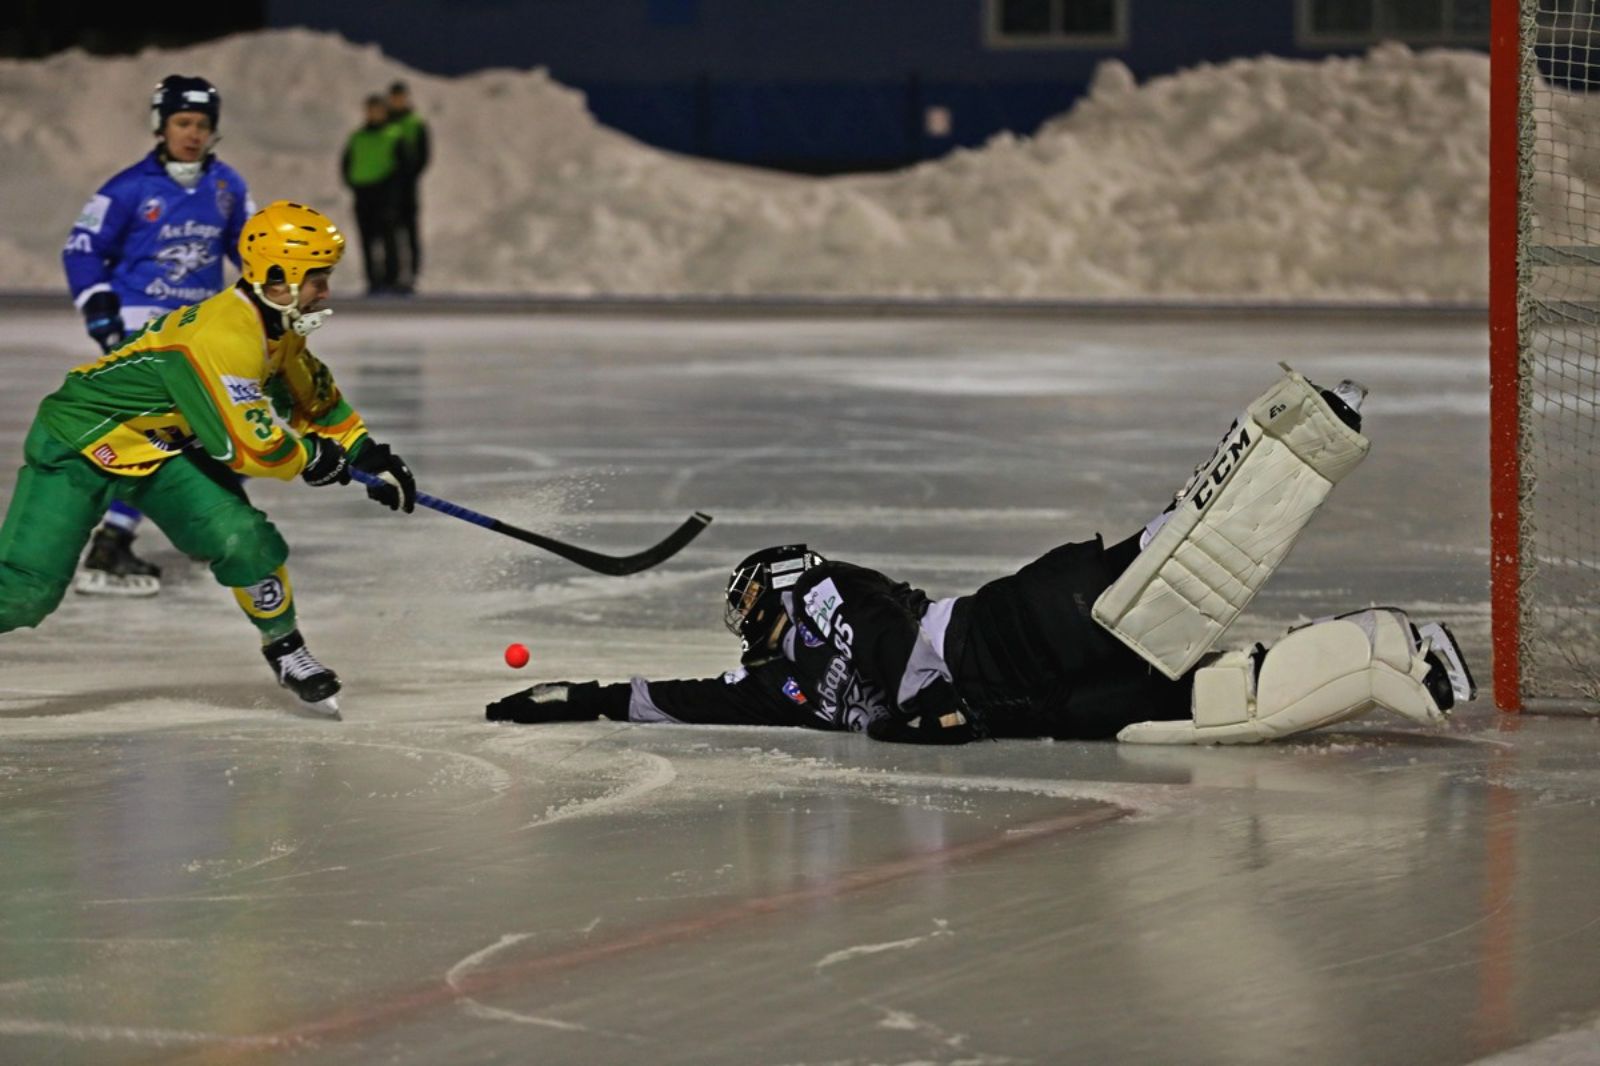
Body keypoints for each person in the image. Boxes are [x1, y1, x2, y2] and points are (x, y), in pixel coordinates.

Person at [487, 376, 1478, 745]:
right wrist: (573, 700)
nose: (744, 625)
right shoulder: (784, 689)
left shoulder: (834, 590)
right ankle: (1389, 648)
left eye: (747, 602)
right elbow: (684, 699)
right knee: (1218, 708)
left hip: (1008, 628)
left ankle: (1288, 433)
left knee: (1177, 555)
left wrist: (923, 712)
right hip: (1029, 704)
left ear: (779, 582)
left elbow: (881, 642)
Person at [4, 200, 417, 715]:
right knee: (24, 595)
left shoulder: (278, 328)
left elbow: (315, 400)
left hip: (158, 450)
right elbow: (244, 446)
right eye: (318, 278)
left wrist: (366, 452)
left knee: (243, 538)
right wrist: (315, 458)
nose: (325, 292)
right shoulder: (222, 335)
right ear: (279, 277)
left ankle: (286, 650)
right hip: (79, 440)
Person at [61, 74, 256, 596]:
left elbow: (250, 249)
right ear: (161, 125)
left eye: (202, 125)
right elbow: (81, 249)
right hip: (142, 328)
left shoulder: (227, 186)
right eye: (182, 122)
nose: (193, 134)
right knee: (180, 436)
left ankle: (202, 522)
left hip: (200, 330)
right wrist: (99, 310)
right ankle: (112, 543)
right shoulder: (128, 188)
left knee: (230, 431)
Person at [341, 94, 404, 295]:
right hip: (363, 192)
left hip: (385, 193)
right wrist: (353, 182)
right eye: (370, 110)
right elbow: (347, 163)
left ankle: (392, 280)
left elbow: (404, 165)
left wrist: (393, 190)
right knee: (367, 239)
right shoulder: (358, 137)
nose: (373, 114)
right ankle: (373, 281)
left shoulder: (394, 134)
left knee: (389, 238)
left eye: (377, 110)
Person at [385, 81, 429, 293]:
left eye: (400, 96)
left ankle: (413, 275)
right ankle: (390, 276)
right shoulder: (384, 123)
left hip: (407, 186)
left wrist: (408, 175)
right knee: (389, 233)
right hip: (386, 187)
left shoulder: (415, 123)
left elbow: (424, 155)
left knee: (410, 231)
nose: (397, 101)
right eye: (394, 97)